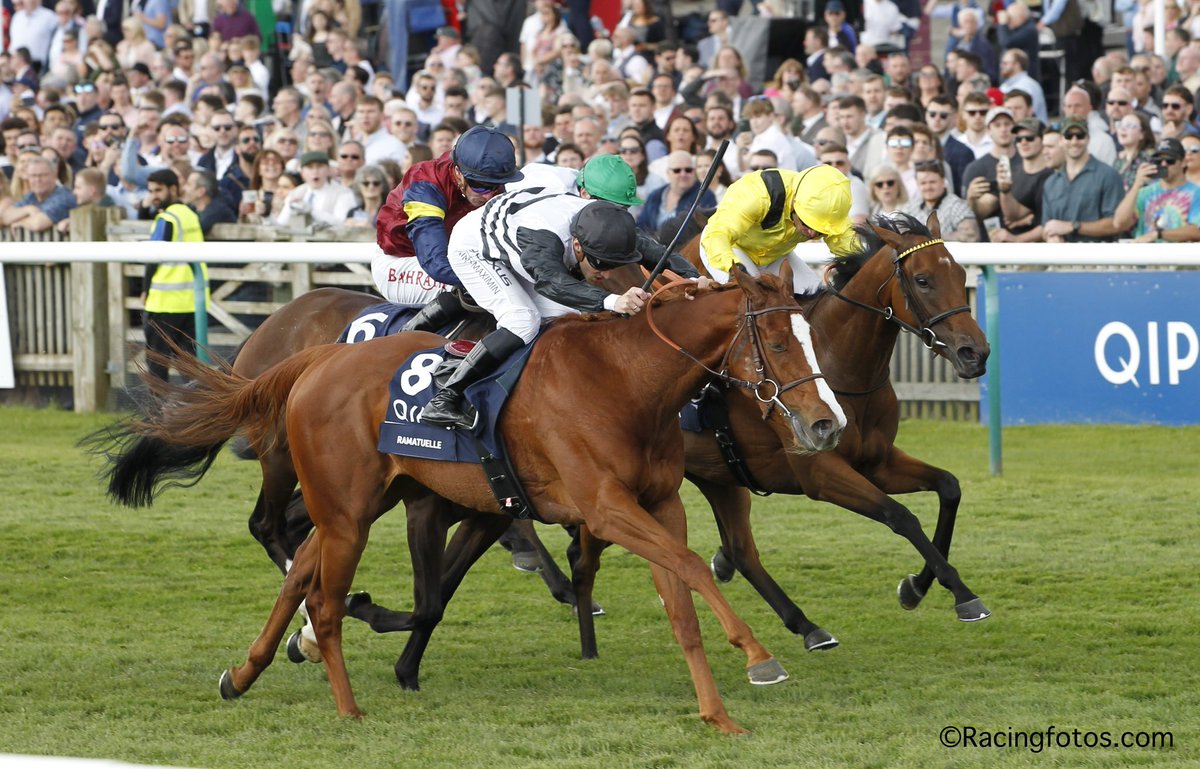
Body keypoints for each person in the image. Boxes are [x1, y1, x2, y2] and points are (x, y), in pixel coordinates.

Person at [421, 200, 659, 429]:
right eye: (600, 264)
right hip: (472, 248)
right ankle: (445, 398)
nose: (606, 275)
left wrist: (692, 278)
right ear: (577, 245)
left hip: (510, 242)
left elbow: (656, 251)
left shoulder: (604, 225)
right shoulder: (547, 238)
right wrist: (614, 301)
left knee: (571, 315)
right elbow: (552, 283)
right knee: (522, 320)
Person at [372, 125, 523, 319]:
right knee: (487, 288)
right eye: (480, 187)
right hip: (403, 261)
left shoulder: (489, 181)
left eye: (496, 187)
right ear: (458, 172)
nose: (489, 197)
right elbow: (436, 262)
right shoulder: (425, 184)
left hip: (458, 257)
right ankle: (405, 340)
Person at [699, 164, 859, 297]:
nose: (812, 234)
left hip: (776, 256)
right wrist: (735, 269)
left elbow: (852, 254)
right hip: (730, 248)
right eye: (807, 224)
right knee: (754, 299)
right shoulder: (756, 194)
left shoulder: (834, 212)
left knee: (817, 299)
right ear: (795, 202)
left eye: (820, 231)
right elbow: (717, 235)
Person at [139, 168, 207, 382]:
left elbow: (154, 256)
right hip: (191, 302)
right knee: (191, 369)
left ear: (174, 189)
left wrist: (145, 289)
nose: (153, 196)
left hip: (163, 303)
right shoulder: (190, 214)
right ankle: (197, 413)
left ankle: (157, 415)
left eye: (158, 190)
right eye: (150, 191)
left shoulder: (167, 218)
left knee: (157, 367)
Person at [1040, 118, 1125, 243]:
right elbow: (1046, 227)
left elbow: (1116, 224)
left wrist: (1072, 226)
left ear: (1088, 139)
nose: (1074, 141)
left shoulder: (1108, 175)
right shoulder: (1051, 183)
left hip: (1097, 258)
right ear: (1061, 141)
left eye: (1080, 136)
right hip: (1061, 258)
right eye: (1069, 136)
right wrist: (1051, 236)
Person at [1112, 138, 1200, 242]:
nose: (1163, 164)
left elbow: (1196, 231)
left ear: (1183, 162)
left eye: (1170, 160)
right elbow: (1119, 223)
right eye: (1158, 160)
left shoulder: (1196, 193)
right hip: (1148, 256)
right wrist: (1136, 186)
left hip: (1179, 257)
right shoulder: (1144, 192)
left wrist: (1158, 234)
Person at [637, 151, 717, 234]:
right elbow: (641, 226)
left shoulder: (705, 196)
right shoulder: (655, 196)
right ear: (668, 173)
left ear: (694, 172)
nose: (683, 174)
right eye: (677, 170)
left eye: (688, 170)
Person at [901, 161, 979, 241]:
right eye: (923, 183)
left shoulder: (957, 205)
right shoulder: (910, 208)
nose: (928, 187)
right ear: (917, 184)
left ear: (943, 182)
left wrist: (932, 238)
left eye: (932, 182)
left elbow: (971, 235)